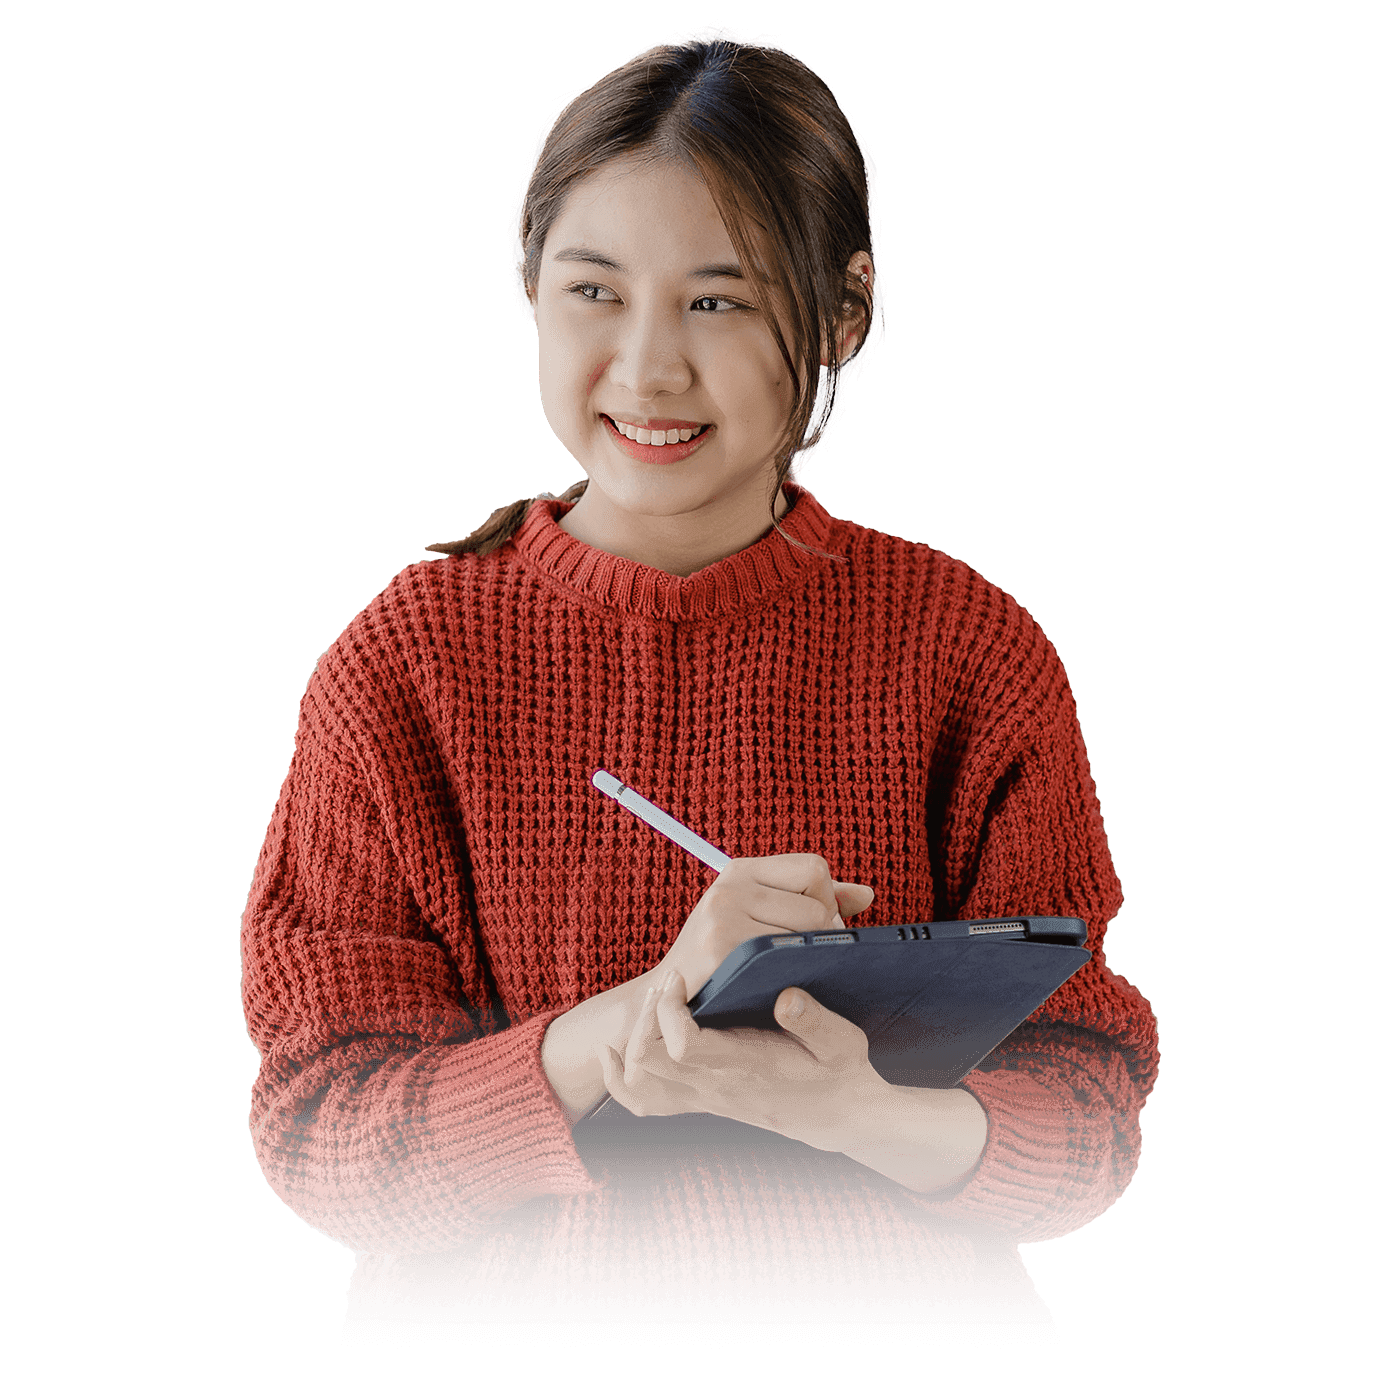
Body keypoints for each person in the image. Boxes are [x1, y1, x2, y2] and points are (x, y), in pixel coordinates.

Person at [240, 29, 1158, 1330]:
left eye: (719, 299)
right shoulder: (404, 668)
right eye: (594, 291)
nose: (649, 367)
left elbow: (1089, 1118)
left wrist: (866, 1118)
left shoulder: (969, 649)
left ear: (843, 313)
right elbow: (327, 1144)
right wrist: (618, 1035)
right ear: (529, 292)